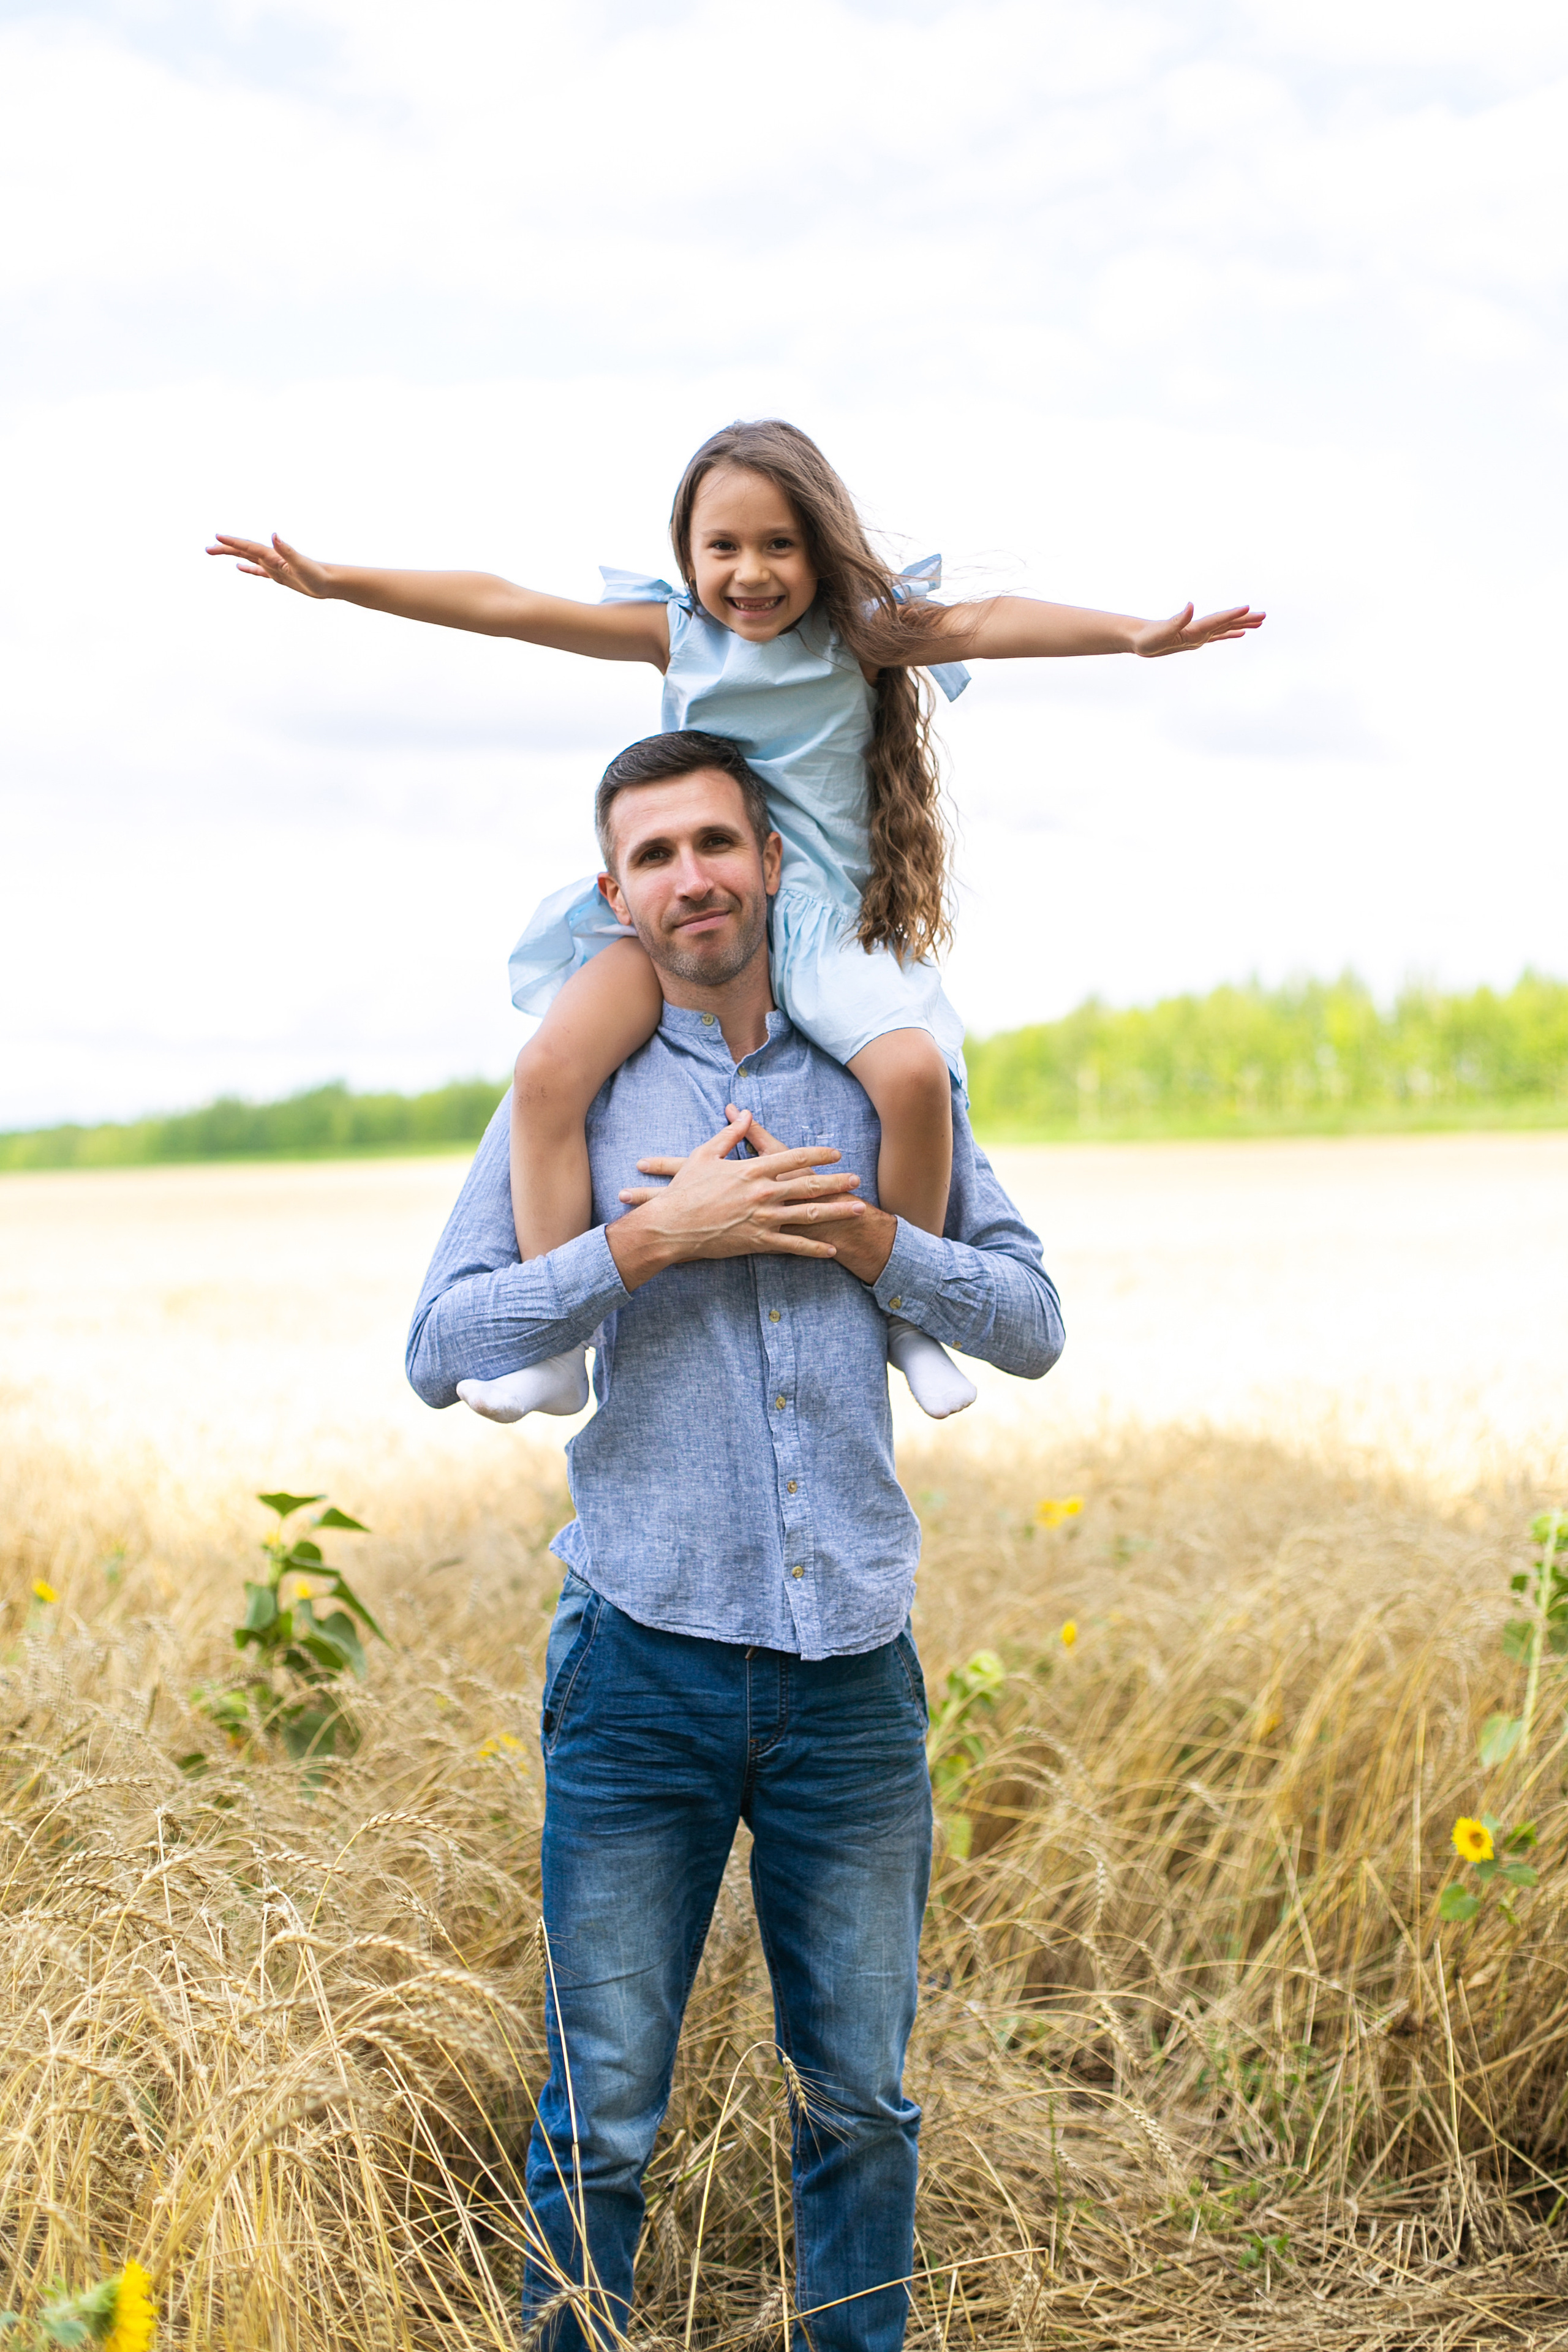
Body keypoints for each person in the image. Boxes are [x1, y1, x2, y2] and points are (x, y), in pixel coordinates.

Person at [405, 731, 1065, 2352]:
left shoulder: (882, 1073)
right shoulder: (583, 1097)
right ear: (616, 897)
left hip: (853, 1679)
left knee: (862, 2106)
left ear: (772, 860)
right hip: (642, 1671)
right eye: (653, 856)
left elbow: (1036, 1320)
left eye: (717, 842)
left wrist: (877, 1243)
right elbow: (440, 1348)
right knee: (602, 2119)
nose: (691, 876)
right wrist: (645, 1242)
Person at [215, 416, 1254, 1423]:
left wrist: (1133, 637)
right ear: (687, 554)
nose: (750, 573)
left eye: (778, 546)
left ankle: (907, 1313)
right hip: (690, 918)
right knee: (546, 1074)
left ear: (818, 549)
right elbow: (505, 605)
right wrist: (337, 582)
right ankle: (554, 1349)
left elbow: (996, 620)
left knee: (910, 1077)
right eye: (724, 547)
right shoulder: (675, 635)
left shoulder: (862, 633)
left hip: (817, 922)